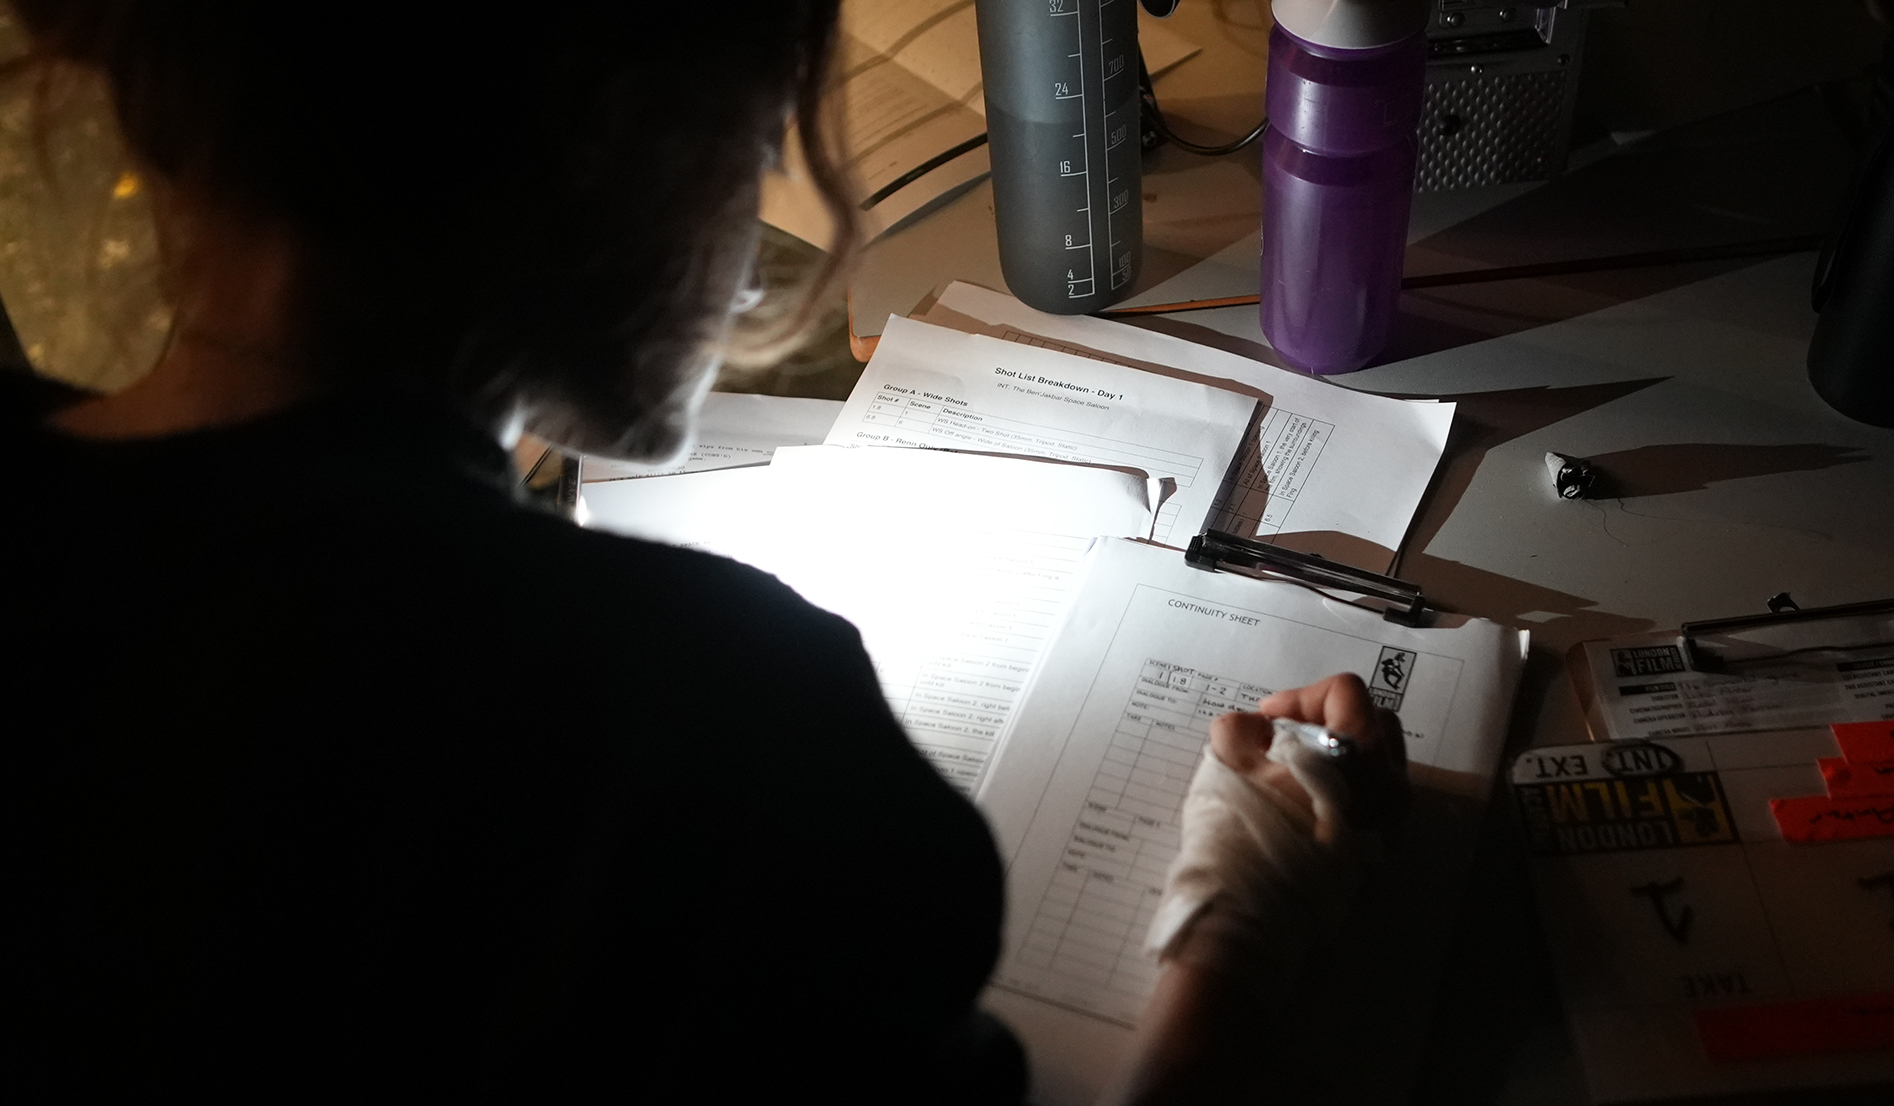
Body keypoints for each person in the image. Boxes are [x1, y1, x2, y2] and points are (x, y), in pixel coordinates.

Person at [4, 4, 1409, 1103]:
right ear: (631, 133)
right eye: (758, 144)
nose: (750, 254)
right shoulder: (722, 722)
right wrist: (1244, 915)